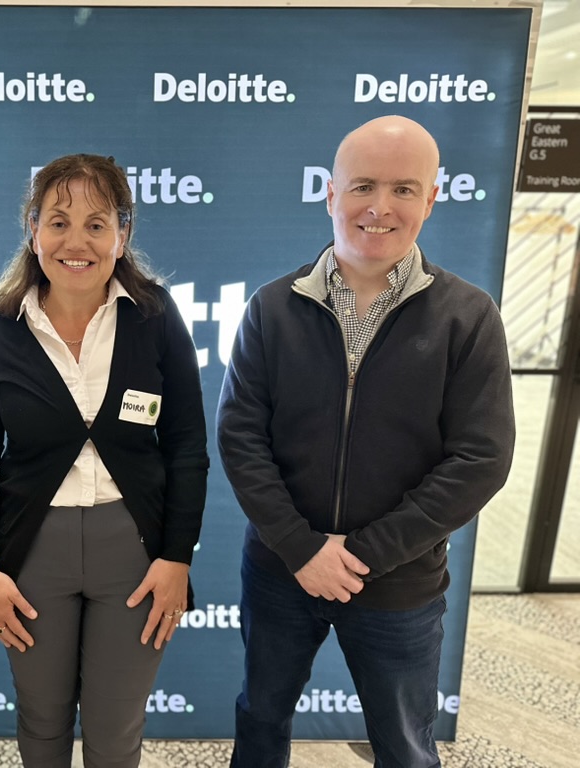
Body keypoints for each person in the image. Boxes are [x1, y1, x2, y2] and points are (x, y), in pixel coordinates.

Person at [216, 115, 515, 768]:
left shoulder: (468, 318)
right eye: (364, 186)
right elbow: (241, 438)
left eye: (405, 189)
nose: (381, 208)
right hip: (280, 573)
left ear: (432, 198)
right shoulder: (271, 309)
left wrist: (361, 555)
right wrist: (301, 549)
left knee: (407, 747)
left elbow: (481, 458)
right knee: (259, 721)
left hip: (399, 583)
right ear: (330, 193)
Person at [0, 154, 209, 768]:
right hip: (33, 552)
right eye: (58, 221)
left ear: (122, 236)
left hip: (135, 551)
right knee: (41, 721)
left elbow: (187, 447)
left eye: (97, 224)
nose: (77, 241)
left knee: (117, 725)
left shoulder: (155, 319)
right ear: (32, 229)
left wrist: (176, 558)